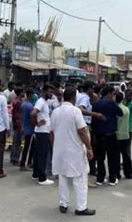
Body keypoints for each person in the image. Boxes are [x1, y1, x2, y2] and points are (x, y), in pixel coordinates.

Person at [51, 87, 96, 216]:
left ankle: (63, 204)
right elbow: (82, 131)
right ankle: (81, 207)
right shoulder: (75, 111)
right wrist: (89, 148)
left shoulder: (55, 112)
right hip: (74, 150)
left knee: (63, 176)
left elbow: (52, 133)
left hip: (60, 150)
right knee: (80, 178)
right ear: (74, 98)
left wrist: (55, 147)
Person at [91, 85, 123, 186]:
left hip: (99, 134)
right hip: (110, 134)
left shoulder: (95, 104)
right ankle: (112, 179)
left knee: (100, 157)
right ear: (109, 93)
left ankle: (100, 178)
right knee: (112, 157)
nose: (113, 96)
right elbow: (120, 113)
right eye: (113, 94)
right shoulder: (112, 103)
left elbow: (94, 121)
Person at [76, 81, 105, 178]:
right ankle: (84, 174)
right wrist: (95, 114)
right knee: (87, 148)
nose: (93, 91)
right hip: (84, 124)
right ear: (89, 89)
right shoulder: (85, 97)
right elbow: (81, 109)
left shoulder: (79, 96)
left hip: (79, 124)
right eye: (92, 88)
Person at [31, 84, 56, 185]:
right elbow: (33, 113)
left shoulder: (44, 102)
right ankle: (42, 178)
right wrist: (36, 123)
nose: (51, 94)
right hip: (42, 132)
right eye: (50, 92)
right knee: (42, 154)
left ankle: (36, 174)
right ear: (44, 91)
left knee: (37, 154)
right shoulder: (41, 101)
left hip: (42, 131)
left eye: (52, 92)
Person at [116, 91, 132, 179]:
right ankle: (128, 173)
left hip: (116, 134)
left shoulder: (115, 109)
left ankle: (117, 174)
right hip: (125, 134)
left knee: (116, 155)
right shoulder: (126, 109)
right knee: (126, 155)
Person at [20, 88, 36, 171]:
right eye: (33, 94)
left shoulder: (23, 104)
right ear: (30, 95)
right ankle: (24, 164)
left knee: (26, 147)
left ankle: (26, 163)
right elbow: (31, 118)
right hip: (29, 128)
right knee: (28, 147)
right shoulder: (29, 106)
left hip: (25, 127)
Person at [10, 87, 25, 166]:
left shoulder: (14, 101)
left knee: (15, 142)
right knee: (18, 143)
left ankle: (12, 157)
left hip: (14, 124)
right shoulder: (18, 103)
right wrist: (21, 127)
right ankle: (15, 159)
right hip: (18, 124)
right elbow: (18, 116)